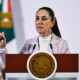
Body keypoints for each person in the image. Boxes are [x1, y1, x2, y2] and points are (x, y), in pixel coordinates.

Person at [0, 7, 70, 54]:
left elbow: (68, 69)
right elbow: (13, 65)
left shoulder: (62, 44)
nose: (39, 22)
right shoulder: (28, 44)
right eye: (37, 18)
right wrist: (2, 48)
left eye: (44, 19)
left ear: (52, 22)